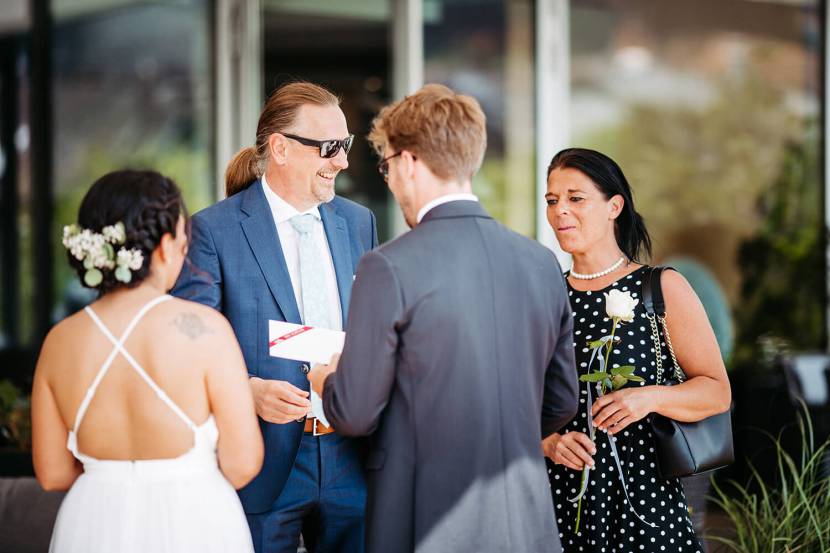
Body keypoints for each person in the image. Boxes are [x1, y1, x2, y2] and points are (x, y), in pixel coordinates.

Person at [307, 83, 579, 553]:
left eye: (386, 165)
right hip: (525, 516)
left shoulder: (389, 265)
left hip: (424, 516)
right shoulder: (539, 262)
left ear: (409, 162)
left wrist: (328, 379)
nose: (389, 181)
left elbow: (353, 412)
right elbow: (561, 400)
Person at [173, 81, 377, 553]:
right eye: (329, 148)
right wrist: (244, 391)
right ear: (281, 149)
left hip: (352, 456)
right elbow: (188, 349)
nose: (343, 162)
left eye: (344, 145)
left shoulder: (359, 223)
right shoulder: (213, 230)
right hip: (262, 458)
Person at [32, 170, 263, 553]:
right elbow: (244, 462)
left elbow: (53, 472)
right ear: (164, 245)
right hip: (193, 519)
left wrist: (115, 477)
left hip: (93, 523)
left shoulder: (60, 341)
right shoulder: (205, 329)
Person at [542, 148, 732, 552]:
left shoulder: (660, 288)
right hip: (560, 504)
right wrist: (548, 442)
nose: (561, 211)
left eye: (576, 198)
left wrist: (649, 398)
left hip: (646, 506)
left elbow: (717, 391)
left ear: (614, 206)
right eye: (552, 200)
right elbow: (515, 403)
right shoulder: (545, 296)